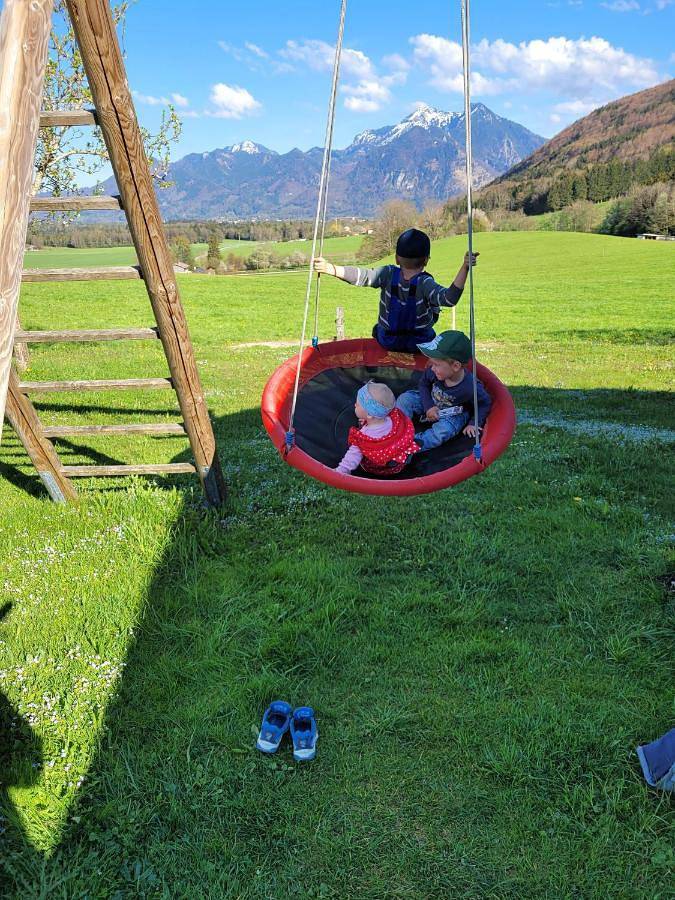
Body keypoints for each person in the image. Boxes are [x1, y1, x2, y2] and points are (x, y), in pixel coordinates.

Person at [313, 228, 478, 353]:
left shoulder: (387, 274)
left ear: (397, 258)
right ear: (426, 260)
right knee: (430, 326)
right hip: (420, 344)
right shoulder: (425, 283)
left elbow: (361, 276)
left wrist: (330, 268)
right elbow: (449, 299)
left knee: (377, 329)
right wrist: (465, 267)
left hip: (387, 340)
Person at [396, 330, 492, 452]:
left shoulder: (471, 386)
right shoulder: (434, 372)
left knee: (443, 431)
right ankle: (396, 432)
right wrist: (429, 406)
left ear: (455, 366)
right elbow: (424, 384)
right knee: (405, 399)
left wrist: (474, 423)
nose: (432, 368)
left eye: (436, 364)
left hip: (452, 413)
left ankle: (410, 446)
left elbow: (484, 403)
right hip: (431, 400)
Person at [335, 381, 419, 476]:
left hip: (380, 469)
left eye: (357, 404)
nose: (355, 405)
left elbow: (352, 457)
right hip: (398, 465)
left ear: (369, 415)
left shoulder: (363, 438)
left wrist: (342, 470)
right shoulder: (396, 420)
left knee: (357, 451)